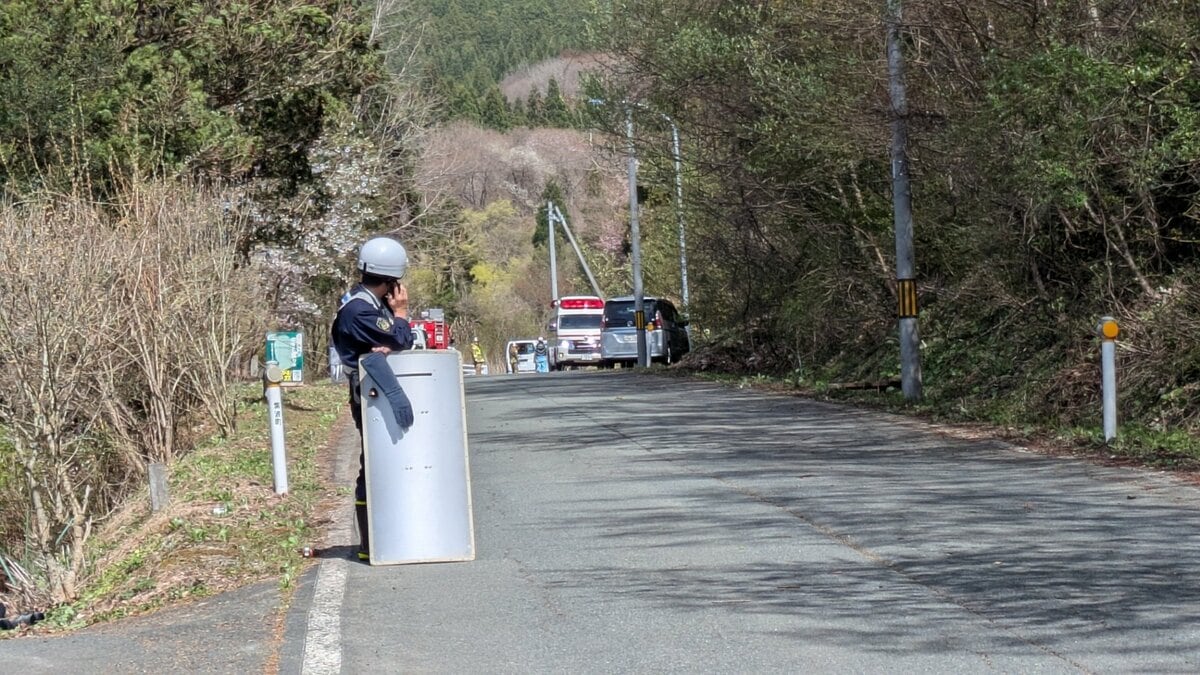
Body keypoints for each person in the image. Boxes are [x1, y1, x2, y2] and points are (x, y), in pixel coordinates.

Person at [331, 236, 414, 561]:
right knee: (375, 462)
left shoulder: (362, 302)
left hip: (369, 391)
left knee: (377, 460)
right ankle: (372, 542)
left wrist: (389, 338)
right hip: (368, 395)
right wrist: (402, 314)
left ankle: (378, 539)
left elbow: (389, 340)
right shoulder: (360, 310)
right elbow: (402, 337)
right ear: (392, 278)